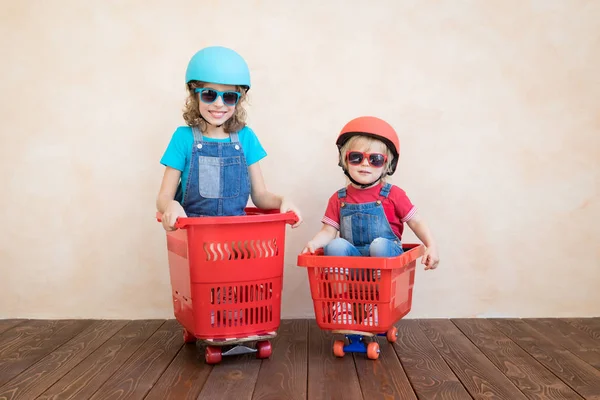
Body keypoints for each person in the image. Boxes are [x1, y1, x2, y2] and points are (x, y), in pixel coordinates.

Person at [301, 116, 439, 324]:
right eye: (356, 157)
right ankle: (342, 304)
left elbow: (416, 221)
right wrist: (314, 243)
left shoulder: (393, 194)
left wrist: (431, 245)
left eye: (375, 159)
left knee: (379, 244)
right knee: (336, 245)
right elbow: (328, 231)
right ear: (344, 161)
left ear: (387, 166)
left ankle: (377, 305)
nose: (365, 164)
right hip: (356, 267)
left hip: (386, 264)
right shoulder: (339, 198)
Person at [156, 46, 302, 231]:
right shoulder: (183, 138)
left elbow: (260, 195)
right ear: (195, 95)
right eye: (209, 94)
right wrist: (171, 205)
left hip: (236, 237)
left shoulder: (246, 137)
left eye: (229, 96)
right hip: (194, 235)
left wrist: (283, 200)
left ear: (239, 100)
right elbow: (163, 197)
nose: (219, 104)